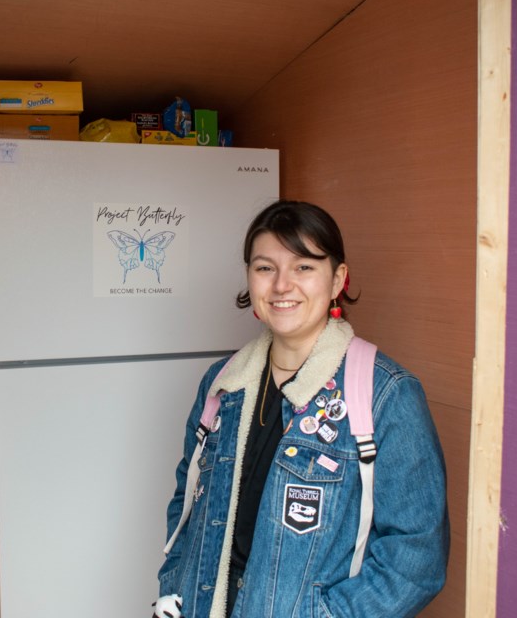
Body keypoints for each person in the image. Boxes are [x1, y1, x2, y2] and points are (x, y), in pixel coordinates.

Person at [154, 200, 449, 618]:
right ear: (249, 278)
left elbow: (416, 559)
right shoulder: (222, 383)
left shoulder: (386, 395)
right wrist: (174, 587)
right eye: (265, 268)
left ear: (337, 280)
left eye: (304, 267)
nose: (281, 286)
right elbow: (188, 498)